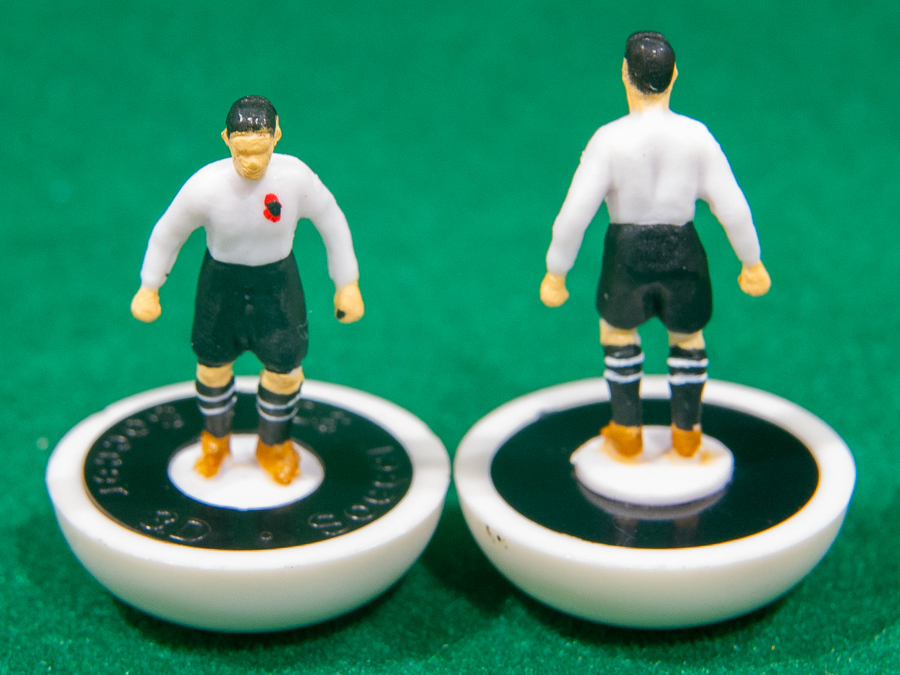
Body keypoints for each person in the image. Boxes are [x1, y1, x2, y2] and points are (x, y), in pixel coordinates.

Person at [540, 32, 770, 459]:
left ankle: (627, 429)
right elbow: (733, 207)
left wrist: (557, 271)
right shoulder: (697, 137)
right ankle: (687, 432)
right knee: (688, 337)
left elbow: (575, 213)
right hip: (684, 252)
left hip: (627, 255)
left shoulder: (608, 140)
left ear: (624, 74)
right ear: (675, 75)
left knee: (616, 331)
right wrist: (751, 262)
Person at [131, 95, 364, 485]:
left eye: (260, 151)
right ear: (226, 140)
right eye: (243, 152)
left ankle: (273, 445)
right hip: (220, 286)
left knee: (285, 371)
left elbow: (332, 221)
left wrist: (347, 284)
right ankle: (215, 440)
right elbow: (168, 232)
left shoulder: (296, 179)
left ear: (277, 136)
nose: (252, 162)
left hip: (278, 286)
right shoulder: (205, 186)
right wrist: (149, 286)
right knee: (211, 366)